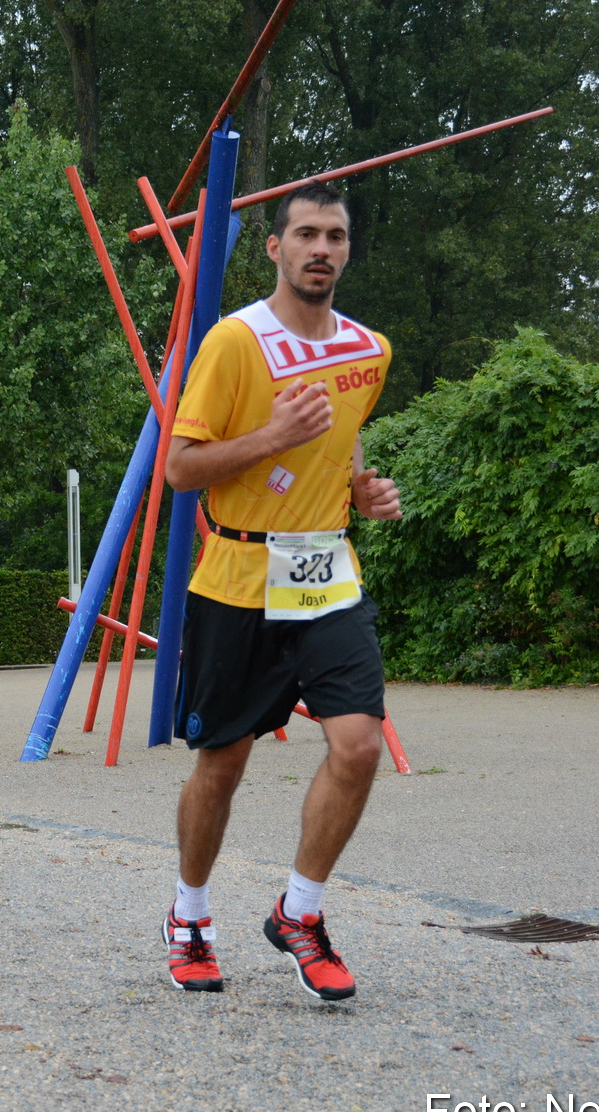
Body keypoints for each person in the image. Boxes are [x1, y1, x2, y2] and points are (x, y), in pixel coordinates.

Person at [160, 183, 402, 1002]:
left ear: (347, 248)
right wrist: (270, 439)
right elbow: (181, 469)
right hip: (236, 579)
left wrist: (361, 491)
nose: (320, 248)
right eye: (305, 234)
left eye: (334, 234)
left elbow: (342, 448)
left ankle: (300, 911)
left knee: (359, 745)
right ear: (276, 247)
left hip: (328, 573)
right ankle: (190, 914)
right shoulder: (235, 343)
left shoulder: (370, 350)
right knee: (221, 765)